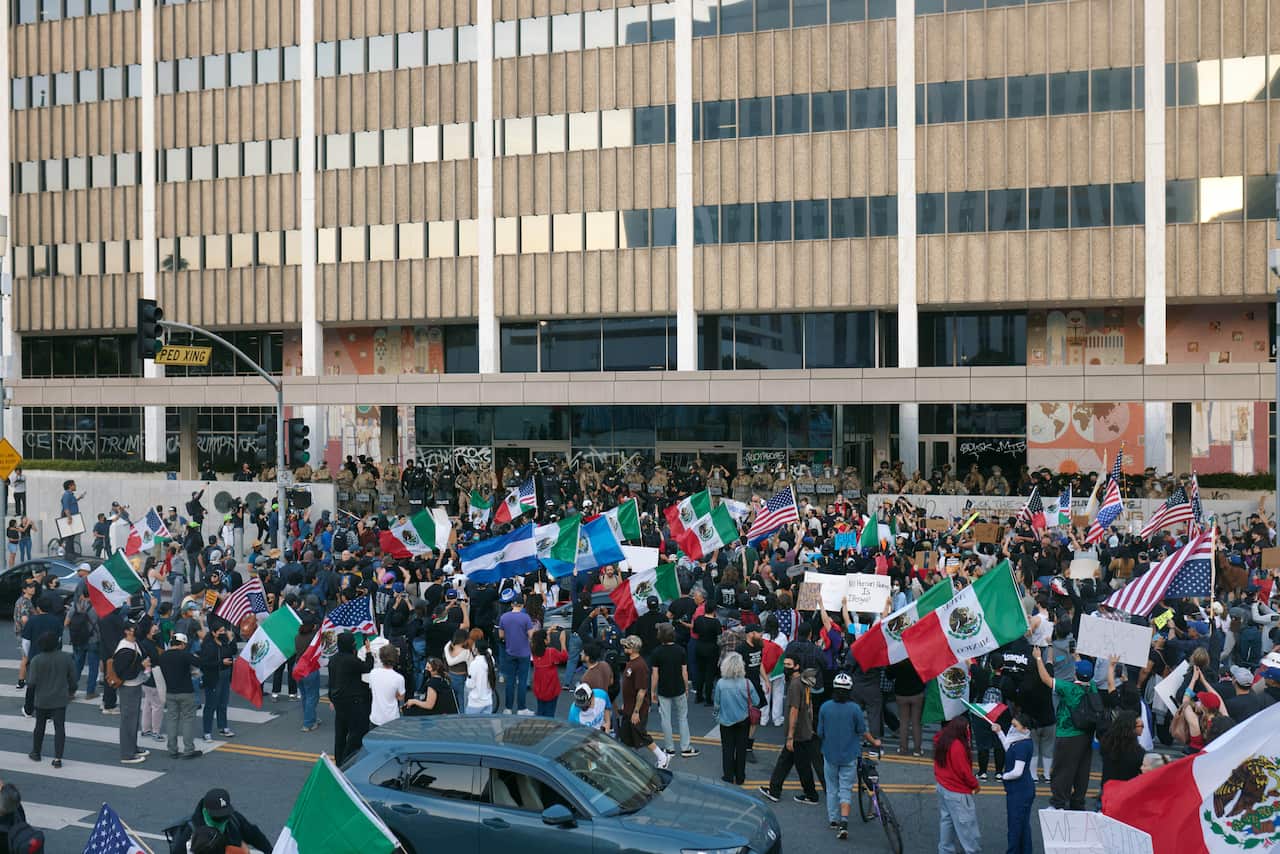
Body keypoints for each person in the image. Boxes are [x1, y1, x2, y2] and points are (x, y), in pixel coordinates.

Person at [818, 671, 881, 840]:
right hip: (850, 755)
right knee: (845, 788)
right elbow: (862, 731)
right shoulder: (854, 709)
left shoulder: (825, 707)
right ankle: (844, 821)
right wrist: (875, 742)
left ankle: (833, 819)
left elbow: (820, 732)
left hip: (830, 753)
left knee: (832, 788)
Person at [1032, 646, 1095, 811]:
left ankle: (1058, 803)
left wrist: (1039, 658)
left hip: (1067, 734)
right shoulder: (1092, 687)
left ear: (1075, 673)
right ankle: (1077, 803)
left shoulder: (1068, 688)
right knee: (1081, 771)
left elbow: (1046, 679)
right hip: (1086, 736)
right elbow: (1084, 671)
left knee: (1062, 770)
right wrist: (1077, 656)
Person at [757, 658, 822, 805]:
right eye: (785, 664)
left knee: (802, 765)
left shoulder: (794, 685)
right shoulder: (803, 681)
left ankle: (811, 794)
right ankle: (774, 790)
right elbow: (809, 705)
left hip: (798, 733)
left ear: (797, 666)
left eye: (789, 665)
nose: (785, 667)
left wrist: (790, 736)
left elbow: (794, 710)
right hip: (804, 729)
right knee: (785, 761)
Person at [168, 788, 272, 854]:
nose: (222, 821)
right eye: (217, 817)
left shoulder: (234, 819)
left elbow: (255, 836)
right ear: (205, 812)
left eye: (224, 816)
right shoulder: (189, 833)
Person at [26, 631, 75, 768]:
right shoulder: (66, 658)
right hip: (59, 699)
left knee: (39, 727)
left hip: (42, 699)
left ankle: (36, 752)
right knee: (59, 728)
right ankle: (58, 758)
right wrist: (71, 691)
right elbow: (72, 678)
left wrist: (29, 704)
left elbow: (31, 683)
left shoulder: (36, 660)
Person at [619, 636, 669, 767]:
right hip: (629, 706)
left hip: (637, 708)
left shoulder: (640, 666)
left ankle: (662, 757)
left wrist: (636, 711)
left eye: (625, 646)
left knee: (639, 733)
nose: (623, 648)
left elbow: (641, 691)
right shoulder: (631, 662)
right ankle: (629, 759)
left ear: (632, 649)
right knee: (625, 733)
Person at [933, 717, 981, 854]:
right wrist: (975, 785)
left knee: (946, 821)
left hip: (943, 786)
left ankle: (945, 850)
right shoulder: (957, 746)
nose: (968, 730)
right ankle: (971, 851)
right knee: (966, 827)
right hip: (957, 792)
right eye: (967, 728)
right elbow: (964, 771)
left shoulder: (942, 739)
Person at [714, 651, 761, 785]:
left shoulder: (721, 684)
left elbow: (716, 704)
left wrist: (717, 717)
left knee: (727, 749)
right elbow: (756, 701)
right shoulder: (747, 683)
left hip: (725, 721)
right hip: (743, 721)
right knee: (741, 750)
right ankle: (740, 777)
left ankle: (728, 775)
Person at [991, 713, 1035, 854]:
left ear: (1025, 728)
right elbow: (1008, 748)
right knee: (1022, 825)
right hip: (1023, 789)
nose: (1012, 728)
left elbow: (1017, 772)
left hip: (1019, 791)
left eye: (1015, 725)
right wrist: (999, 732)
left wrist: (1004, 776)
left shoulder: (1021, 745)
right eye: (1012, 724)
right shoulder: (1021, 740)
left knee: (1015, 826)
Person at [651, 623, 697, 757]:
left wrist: (653, 691)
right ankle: (685, 747)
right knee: (682, 717)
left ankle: (669, 748)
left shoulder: (657, 652)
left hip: (664, 689)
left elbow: (655, 675)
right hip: (679, 688)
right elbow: (684, 672)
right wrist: (686, 687)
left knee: (666, 718)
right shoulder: (680, 650)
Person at [328, 632, 375, 765]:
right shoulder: (351, 660)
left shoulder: (334, 659)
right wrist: (368, 652)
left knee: (341, 732)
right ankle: (347, 759)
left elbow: (332, 681)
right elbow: (367, 667)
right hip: (352, 701)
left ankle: (339, 760)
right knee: (356, 732)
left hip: (338, 701)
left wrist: (332, 698)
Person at [112, 621, 151, 764]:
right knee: (128, 720)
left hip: (135, 684)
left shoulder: (134, 643)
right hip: (128, 686)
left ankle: (132, 748)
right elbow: (123, 672)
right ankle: (126, 754)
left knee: (133, 719)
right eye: (133, 629)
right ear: (126, 631)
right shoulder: (123, 649)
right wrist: (142, 666)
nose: (136, 630)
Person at [158, 633, 202, 759]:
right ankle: (188, 749)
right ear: (182, 644)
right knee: (188, 720)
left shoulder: (163, 656)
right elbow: (199, 662)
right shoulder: (185, 655)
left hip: (170, 692)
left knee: (172, 720)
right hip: (186, 692)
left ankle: (172, 749)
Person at [198, 624, 237, 740]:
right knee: (211, 705)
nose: (223, 633)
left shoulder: (224, 642)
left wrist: (231, 640)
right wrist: (221, 663)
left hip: (225, 675)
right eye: (220, 631)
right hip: (214, 677)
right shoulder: (208, 645)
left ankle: (223, 727)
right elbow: (204, 664)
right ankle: (207, 732)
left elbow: (232, 651)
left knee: (223, 703)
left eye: (224, 630)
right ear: (214, 633)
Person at [497, 594, 535, 714]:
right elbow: (531, 635)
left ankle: (508, 708)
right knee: (522, 681)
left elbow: (501, 635)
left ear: (512, 604)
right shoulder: (526, 618)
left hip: (509, 651)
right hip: (523, 652)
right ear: (522, 605)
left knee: (510, 681)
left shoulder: (504, 617)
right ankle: (521, 708)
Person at [1098, 710, 1145, 800]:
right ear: (1132, 728)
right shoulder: (1137, 752)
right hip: (1126, 792)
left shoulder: (1107, 744)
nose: (1143, 728)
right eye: (1141, 726)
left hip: (1107, 790)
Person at [364, 643, 406, 728]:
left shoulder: (373, 673)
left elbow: (372, 689)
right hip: (391, 719)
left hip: (375, 718)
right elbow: (401, 697)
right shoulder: (399, 678)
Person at [530, 628, 568, 718]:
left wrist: (549, 631)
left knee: (540, 710)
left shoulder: (534, 651)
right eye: (547, 636)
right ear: (544, 640)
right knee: (550, 714)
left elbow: (537, 637)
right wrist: (562, 642)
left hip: (539, 688)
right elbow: (564, 657)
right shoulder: (551, 652)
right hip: (551, 688)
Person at [692, 599, 722, 705]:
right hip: (712, 648)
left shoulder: (699, 619)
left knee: (700, 672)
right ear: (714, 610)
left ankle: (698, 696)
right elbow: (719, 638)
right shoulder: (716, 622)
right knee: (710, 674)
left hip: (699, 646)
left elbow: (695, 631)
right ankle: (708, 698)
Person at [465, 638, 497, 715]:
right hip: (488, 701)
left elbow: (470, 684)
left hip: (475, 703)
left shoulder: (474, 664)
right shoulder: (491, 659)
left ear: (476, 649)